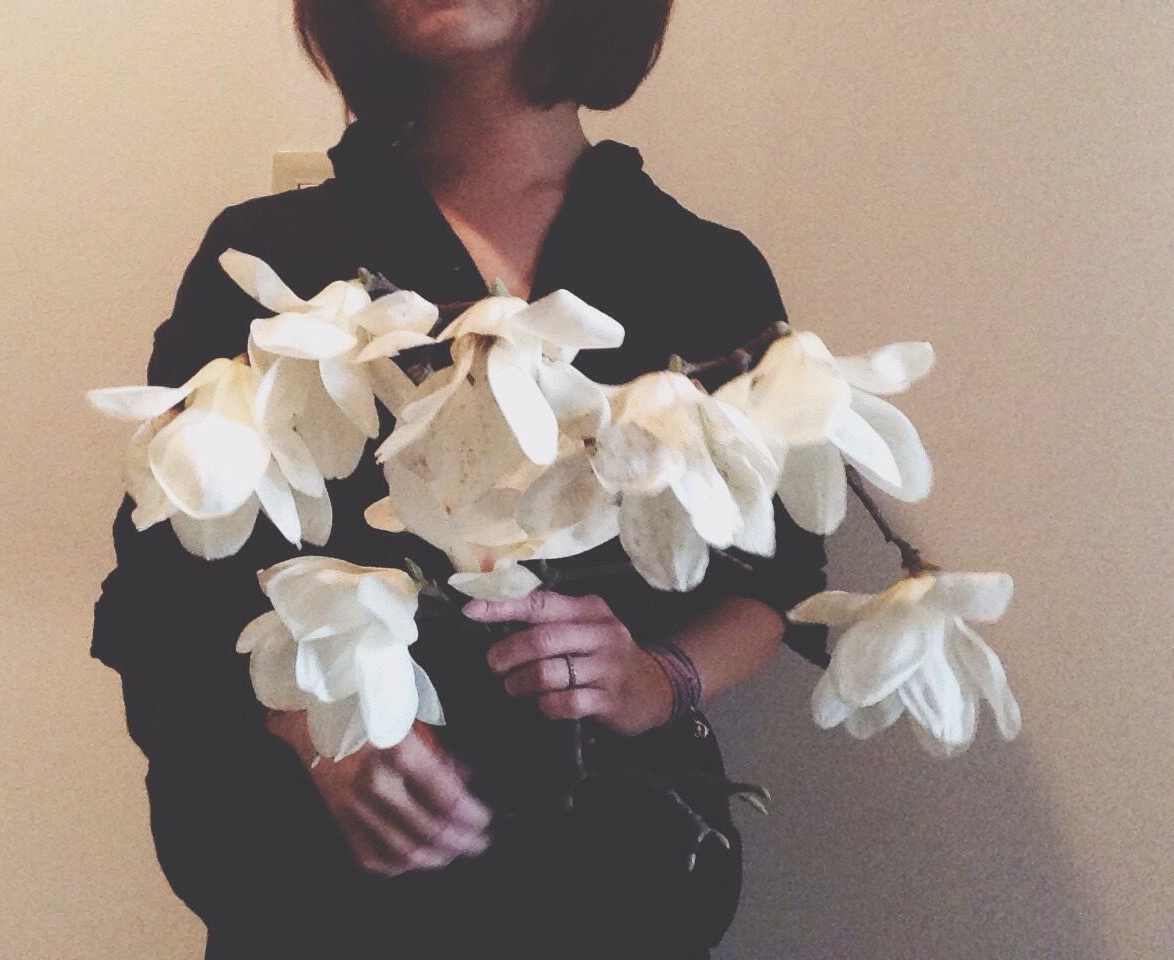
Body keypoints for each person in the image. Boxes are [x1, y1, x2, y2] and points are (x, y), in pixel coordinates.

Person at [90, 2, 829, 957]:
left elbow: (776, 570)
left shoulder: (700, 272)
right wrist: (312, 722)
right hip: (324, 896)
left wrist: (663, 677)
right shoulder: (278, 261)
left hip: (613, 879)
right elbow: (159, 585)